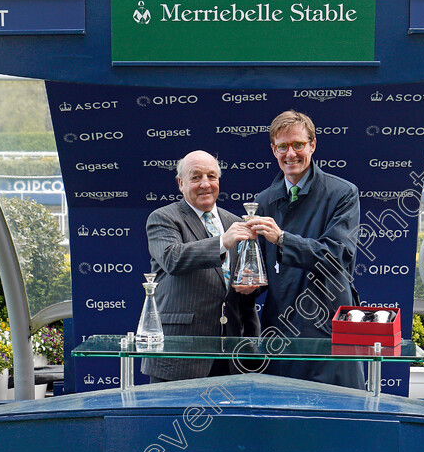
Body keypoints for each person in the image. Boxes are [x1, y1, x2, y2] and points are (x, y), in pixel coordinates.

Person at [242, 110, 365, 389]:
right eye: (283, 146)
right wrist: (246, 282)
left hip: (327, 331)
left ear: (313, 145)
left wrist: (283, 239)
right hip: (279, 333)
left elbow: (338, 257)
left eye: (298, 144)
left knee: (337, 419)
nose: (291, 154)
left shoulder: (343, 193)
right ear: (273, 149)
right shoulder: (263, 201)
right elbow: (260, 272)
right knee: (280, 423)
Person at [143, 150, 260, 382]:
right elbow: (172, 258)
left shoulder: (234, 222)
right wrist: (222, 242)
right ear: (181, 183)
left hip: (231, 355)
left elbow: (246, 283)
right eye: (196, 177)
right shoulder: (163, 218)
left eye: (211, 176)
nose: (205, 184)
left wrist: (251, 285)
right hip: (180, 356)